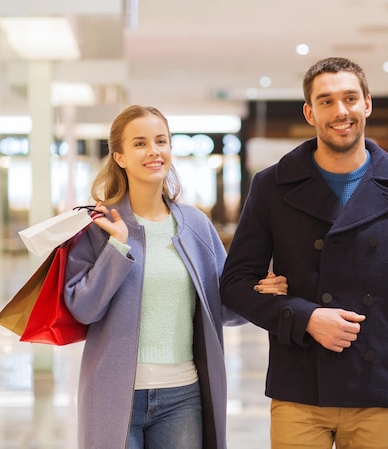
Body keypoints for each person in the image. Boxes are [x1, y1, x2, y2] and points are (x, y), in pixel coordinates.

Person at [219, 57, 388, 449]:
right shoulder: (272, 186)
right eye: (326, 101)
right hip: (299, 385)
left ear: (367, 104)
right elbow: (234, 284)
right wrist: (306, 317)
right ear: (309, 112)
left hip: (376, 388)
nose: (341, 111)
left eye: (350, 98)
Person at [63, 105, 287, 449]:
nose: (154, 151)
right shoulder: (100, 226)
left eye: (161, 141)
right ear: (119, 156)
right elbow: (84, 309)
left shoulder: (195, 225)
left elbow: (223, 307)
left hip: (182, 396)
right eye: (140, 143)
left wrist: (258, 292)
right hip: (113, 393)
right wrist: (117, 247)